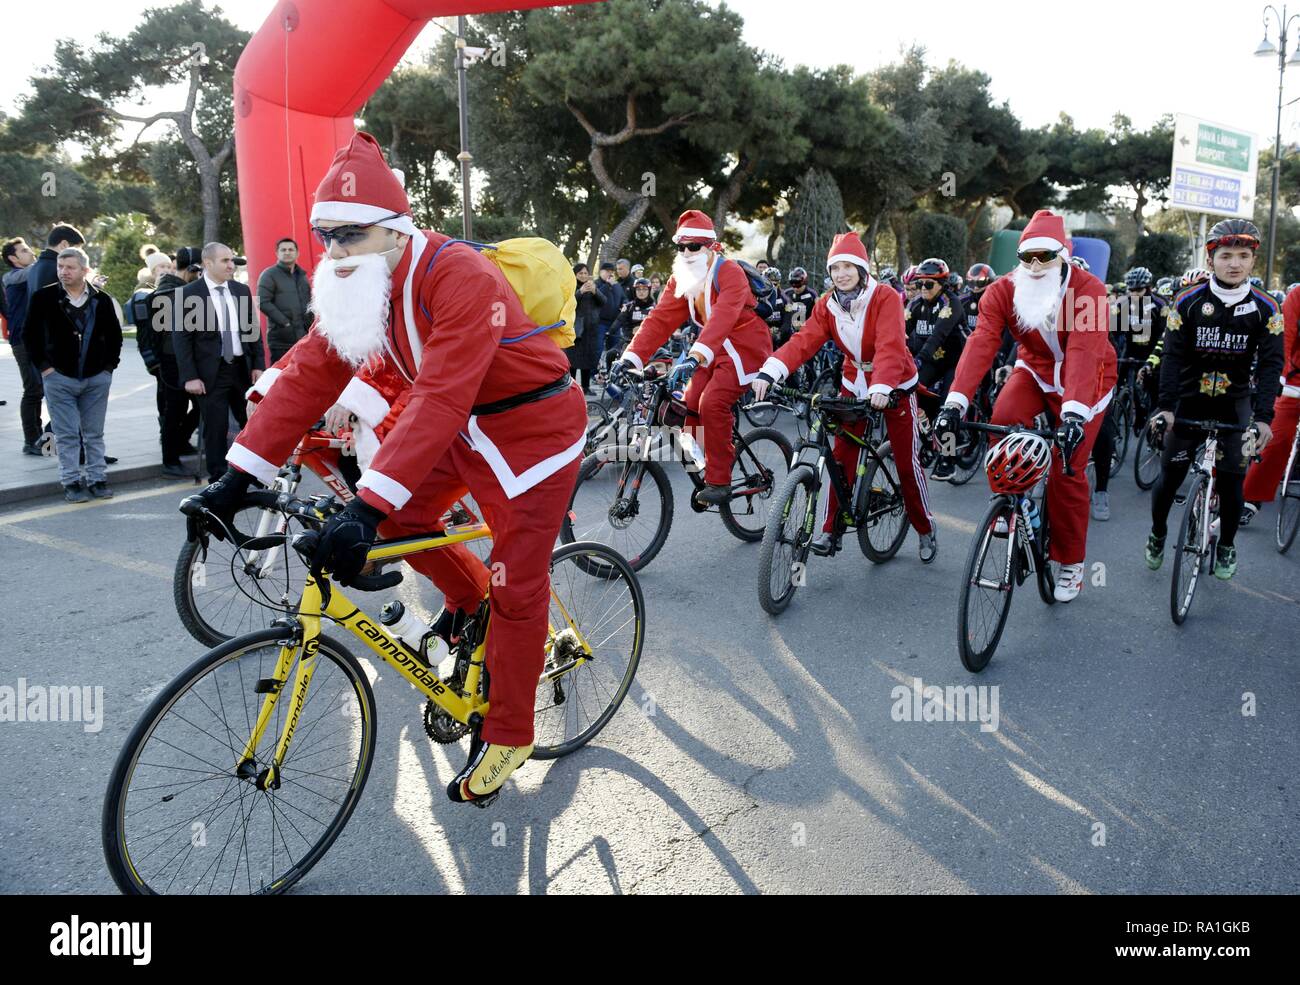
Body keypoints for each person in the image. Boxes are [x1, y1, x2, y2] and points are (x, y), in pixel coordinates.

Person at [193, 131, 585, 804]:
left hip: (532, 433)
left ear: (396, 232)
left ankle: (511, 729)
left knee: (519, 582)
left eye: (351, 236)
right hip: (466, 427)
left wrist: (361, 508)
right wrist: (237, 476)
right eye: (325, 237)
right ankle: (469, 604)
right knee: (402, 520)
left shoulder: (462, 275)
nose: (336, 253)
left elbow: (436, 397)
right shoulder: (363, 280)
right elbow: (311, 373)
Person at [934, 209, 1116, 602]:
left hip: (1087, 383)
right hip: (1035, 370)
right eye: (1027, 256)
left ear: (1062, 255)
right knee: (1003, 418)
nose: (1035, 265)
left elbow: (1084, 354)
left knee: (1068, 471)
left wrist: (1072, 416)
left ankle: (1071, 563)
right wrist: (955, 402)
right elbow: (982, 342)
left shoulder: (1088, 291)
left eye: (1046, 256)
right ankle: (1011, 499)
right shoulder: (1002, 290)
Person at [752, 232, 937, 561]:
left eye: (848, 266)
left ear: (862, 269)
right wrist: (772, 370)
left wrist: (882, 387)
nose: (841, 273)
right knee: (840, 458)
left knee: (907, 463)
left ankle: (924, 528)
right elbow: (804, 341)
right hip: (854, 384)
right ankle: (830, 530)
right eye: (835, 267)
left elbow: (891, 345)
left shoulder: (885, 298)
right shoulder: (827, 304)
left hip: (895, 386)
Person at [1144, 219, 1283, 579]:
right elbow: (1171, 358)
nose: (1234, 263)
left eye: (1243, 256)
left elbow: (1271, 365)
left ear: (1253, 261)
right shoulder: (1187, 302)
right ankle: (1158, 532)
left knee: (1233, 482)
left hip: (1235, 404)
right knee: (1169, 479)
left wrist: (1264, 417)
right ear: (1211, 260)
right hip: (1188, 402)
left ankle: (1226, 545)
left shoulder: (1267, 308)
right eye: (1225, 256)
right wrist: (1165, 408)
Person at [609, 209, 773, 506]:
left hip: (744, 346)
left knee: (712, 403)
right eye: (681, 246)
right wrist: (630, 357)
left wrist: (695, 357)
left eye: (694, 246)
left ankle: (719, 481)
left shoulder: (729, 272)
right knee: (686, 404)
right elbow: (659, 320)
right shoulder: (680, 278)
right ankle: (709, 459)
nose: (686, 252)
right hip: (709, 350)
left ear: (709, 246)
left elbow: (723, 319)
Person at [23, 247, 122, 501]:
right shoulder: (43, 298)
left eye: (70, 267)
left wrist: (108, 368)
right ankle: (71, 482)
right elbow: (30, 336)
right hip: (59, 378)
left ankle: (98, 480)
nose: (63, 272)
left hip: (96, 378)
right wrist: (46, 369)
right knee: (65, 435)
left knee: (94, 433)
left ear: (85, 270)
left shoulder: (101, 299)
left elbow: (114, 337)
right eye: (60, 266)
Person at [174, 243, 267, 483]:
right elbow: (181, 339)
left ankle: (250, 472)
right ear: (208, 264)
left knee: (250, 423)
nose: (231, 265)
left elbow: (252, 330)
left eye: (231, 260)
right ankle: (219, 478)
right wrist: (190, 376)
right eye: (225, 260)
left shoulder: (240, 290)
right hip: (208, 373)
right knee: (215, 427)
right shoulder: (188, 294)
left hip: (240, 368)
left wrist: (258, 364)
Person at [1089, 266, 1168, 520]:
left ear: (1149, 288)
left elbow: (1162, 339)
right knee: (1117, 391)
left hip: (1152, 356)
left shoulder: (1160, 307)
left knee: (1152, 391)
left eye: (1139, 290)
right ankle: (1121, 417)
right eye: (1131, 289)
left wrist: (1151, 363)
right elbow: (1108, 332)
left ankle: (1148, 417)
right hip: (1127, 355)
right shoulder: (1121, 304)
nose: (1134, 293)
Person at [1242, 281, 1300, 525]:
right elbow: (1284, 340)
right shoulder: (1297, 295)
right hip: (1295, 381)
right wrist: (1279, 377)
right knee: (1275, 437)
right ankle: (1249, 497)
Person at [904, 257, 965, 454]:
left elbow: (937, 336)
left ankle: (948, 457)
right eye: (919, 283)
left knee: (948, 408)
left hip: (954, 361)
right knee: (910, 391)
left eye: (928, 284)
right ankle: (930, 436)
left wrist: (919, 359)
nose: (923, 288)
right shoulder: (915, 304)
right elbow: (899, 330)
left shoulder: (951, 303)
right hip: (932, 360)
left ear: (942, 284)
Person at [3, 237, 45, 454]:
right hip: (22, 341)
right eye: (25, 250)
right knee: (33, 389)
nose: (31, 252)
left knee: (41, 389)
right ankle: (31, 442)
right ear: (13, 258)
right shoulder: (13, 277)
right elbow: (40, 268)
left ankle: (42, 441)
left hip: (34, 339)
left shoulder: (29, 274)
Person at [257, 238, 314, 362]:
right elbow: (262, 302)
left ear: (297, 253)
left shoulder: (302, 276)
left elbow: (309, 303)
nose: (287, 252)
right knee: (280, 376)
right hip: (281, 339)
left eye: (291, 249)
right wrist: (285, 323)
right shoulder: (269, 275)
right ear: (277, 253)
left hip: (304, 337)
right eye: (283, 250)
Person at [568, 262, 604, 392]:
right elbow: (568, 303)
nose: (583, 276)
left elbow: (603, 301)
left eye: (585, 273)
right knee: (573, 360)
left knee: (587, 359)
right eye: (580, 273)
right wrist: (580, 292)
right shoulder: (571, 286)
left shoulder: (592, 286)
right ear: (575, 274)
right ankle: (571, 386)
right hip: (576, 330)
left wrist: (595, 291)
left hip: (590, 330)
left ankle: (586, 386)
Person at [609, 276, 656, 357]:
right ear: (634, 291)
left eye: (644, 289)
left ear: (649, 290)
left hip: (649, 342)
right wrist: (609, 332)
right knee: (611, 355)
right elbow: (619, 321)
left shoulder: (655, 308)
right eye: (638, 289)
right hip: (629, 341)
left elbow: (659, 326)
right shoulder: (629, 307)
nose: (641, 292)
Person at [595, 261, 625, 366]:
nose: (610, 274)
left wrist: (625, 305)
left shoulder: (617, 285)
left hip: (614, 323)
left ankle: (610, 372)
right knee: (597, 349)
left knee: (614, 350)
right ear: (600, 272)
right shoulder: (596, 284)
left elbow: (623, 298)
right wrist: (607, 284)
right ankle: (594, 372)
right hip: (600, 323)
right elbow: (598, 296)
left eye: (612, 271)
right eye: (607, 271)